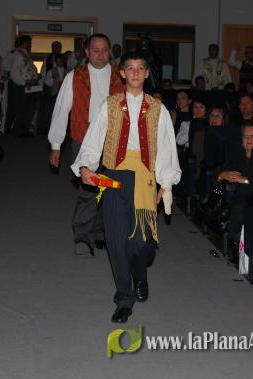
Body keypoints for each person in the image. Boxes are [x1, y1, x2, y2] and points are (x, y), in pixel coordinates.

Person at [71, 51, 181, 323]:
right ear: (121, 73)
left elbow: (166, 148)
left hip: (144, 178)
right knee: (116, 241)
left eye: (140, 68)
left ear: (147, 73)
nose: (135, 72)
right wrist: (86, 165)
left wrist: (166, 183)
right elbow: (94, 138)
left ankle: (140, 273)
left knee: (140, 244)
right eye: (130, 68)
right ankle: (124, 298)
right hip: (113, 177)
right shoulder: (110, 105)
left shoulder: (158, 109)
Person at [48, 33, 125, 256]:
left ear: (110, 52)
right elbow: (61, 110)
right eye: (96, 50)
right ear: (87, 52)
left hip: (114, 141)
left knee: (111, 189)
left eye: (104, 50)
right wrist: (56, 144)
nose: (100, 55)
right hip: (82, 139)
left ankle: (103, 233)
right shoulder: (75, 76)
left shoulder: (122, 76)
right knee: (88, 189)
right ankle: (83, 236)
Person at [216, 122, 253, 263]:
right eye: (245, 136)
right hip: (240, 197)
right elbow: (218, 174)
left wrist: (246, 180)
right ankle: (237, 244)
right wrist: (222, 175)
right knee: (240, 204)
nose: (249, 139)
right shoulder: (236, 157)